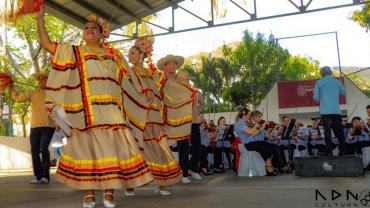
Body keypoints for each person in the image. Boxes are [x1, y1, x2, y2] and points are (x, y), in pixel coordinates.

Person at [37, 7, 152, 208]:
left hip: (111, 112)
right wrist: (40, 19)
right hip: (85, 112)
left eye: (93, 27)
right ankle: (88, 194)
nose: (88, 29)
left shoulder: (114, 54)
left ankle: (109, 192)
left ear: (102, 33)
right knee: (86, 152)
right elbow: (47, 45)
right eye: (86, 27)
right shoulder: (74, 52)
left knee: (111, 152)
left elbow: (129, 80)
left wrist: (142, 95)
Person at [122, 44, 182, 196]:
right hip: (136, 115)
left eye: (134, 53)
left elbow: (160, 91)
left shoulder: (151, 73)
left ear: (142, 55)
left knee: (159, 149)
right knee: (135, 150)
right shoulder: (127, 73)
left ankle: (161, 183)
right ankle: (130, 184)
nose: (131, 56)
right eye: (129, 53)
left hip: (153, 115)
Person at [12, 71, 55, 184]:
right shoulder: (33, 93)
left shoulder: (54, 93)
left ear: (48, 80)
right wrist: (11, 87)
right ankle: (38, 176)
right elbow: (18, 98)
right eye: (39, 79)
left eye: (43, 79)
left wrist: (60, 124)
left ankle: (45, 176)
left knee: (44, 147)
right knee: (34, 150)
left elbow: (60, 109)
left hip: (48, 125)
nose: (41, 81)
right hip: (35, 126)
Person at [157, 55, 194, 184]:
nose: (172, 66)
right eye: (169, 63)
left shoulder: (182, 79)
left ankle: (184, 174)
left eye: (174, 63)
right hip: (166, 115)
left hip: (181, 116)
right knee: (164, 147)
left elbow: (189, 93)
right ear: (165, 67)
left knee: (183, 146)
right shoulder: (160, 79)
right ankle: (163, 174)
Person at [176, 71, 206, 180]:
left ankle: (194, 170)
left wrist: (196, 113)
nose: (183, 81)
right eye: (180, 79)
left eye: (185, 79)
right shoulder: (176, 91)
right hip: (181, 122)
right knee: (182, 147)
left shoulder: (195, 91)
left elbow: (203, 103)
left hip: (193, 122)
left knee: (197, 146)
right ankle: (183, 173)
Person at [313, 66, 346, 156]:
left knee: (327, 132)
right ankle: (343, 150)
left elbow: (316, 98)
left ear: (321, 73)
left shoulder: (319, 82)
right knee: (338, 130)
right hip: (336, 110)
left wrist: (320, 100)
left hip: (325, 111)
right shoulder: (337, 82)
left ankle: (329, 151)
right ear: (331, 72)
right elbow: (344, 92)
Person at [234, 109, 278, 176]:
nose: (249, 117)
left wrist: (261, 128)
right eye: (249, 115)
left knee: (273, 146)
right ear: (244, 115)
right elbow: (251, 132)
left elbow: (253, 134)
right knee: (264, 144)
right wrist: (259, 126)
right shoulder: (240, 123)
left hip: (252, 142)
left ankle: (277, 165)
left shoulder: (246, 123)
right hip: (246, 144)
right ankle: (269, 166)